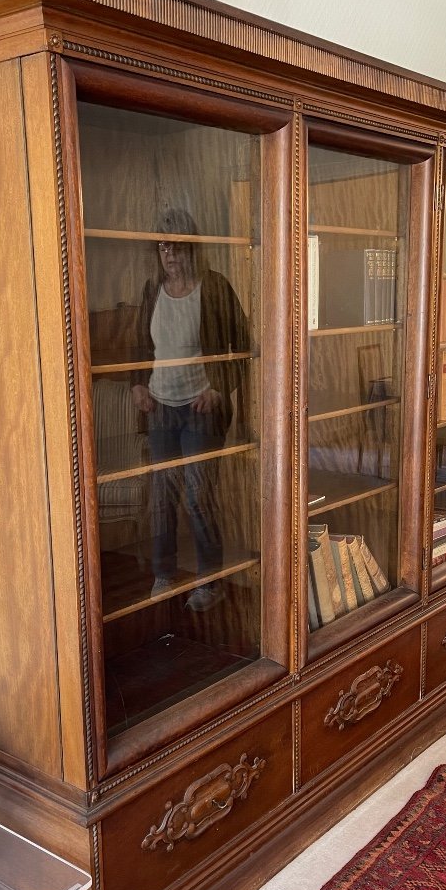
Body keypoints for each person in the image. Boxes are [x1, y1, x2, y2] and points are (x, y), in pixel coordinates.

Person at [131, 208, 249, 612]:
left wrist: (219, 389)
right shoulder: (152, 291)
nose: (171, 255)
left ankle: (210, 580)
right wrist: (137, 385)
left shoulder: (213, 288)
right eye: (164, 246)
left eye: (178, 246)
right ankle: (164, 574)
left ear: (192, 249)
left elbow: (244, 344)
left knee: (198, 495)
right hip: (161, 408)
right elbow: (140, 347)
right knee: (162, 495)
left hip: (202, 407)